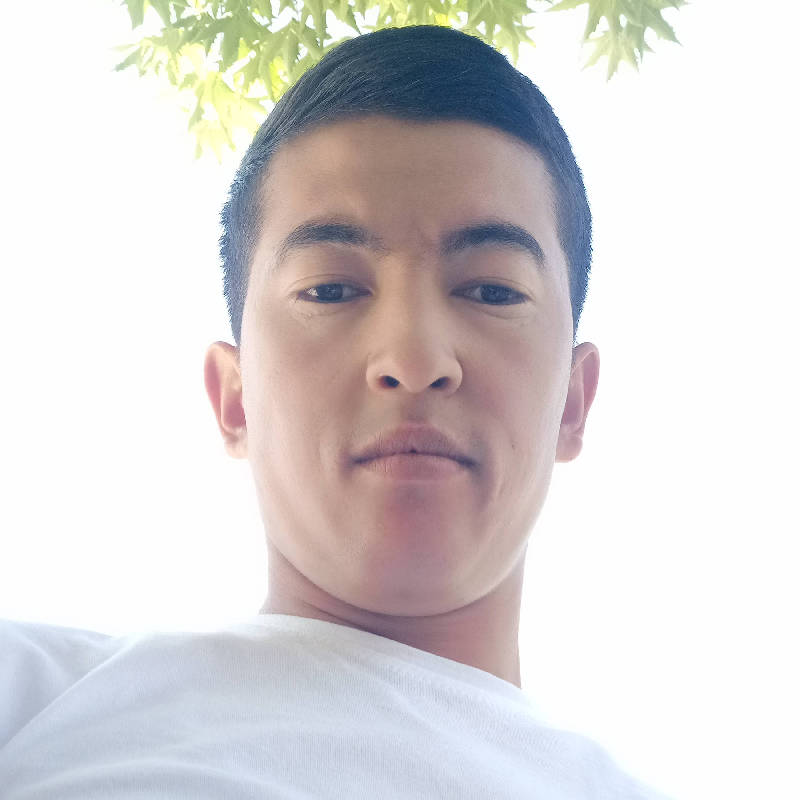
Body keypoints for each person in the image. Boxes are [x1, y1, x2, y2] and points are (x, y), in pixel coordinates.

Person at [0, 25, 669, 798]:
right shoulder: (41, 696)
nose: (413, 359)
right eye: (329, 290)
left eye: (492, 290)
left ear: (573, 404)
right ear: (234, 398)